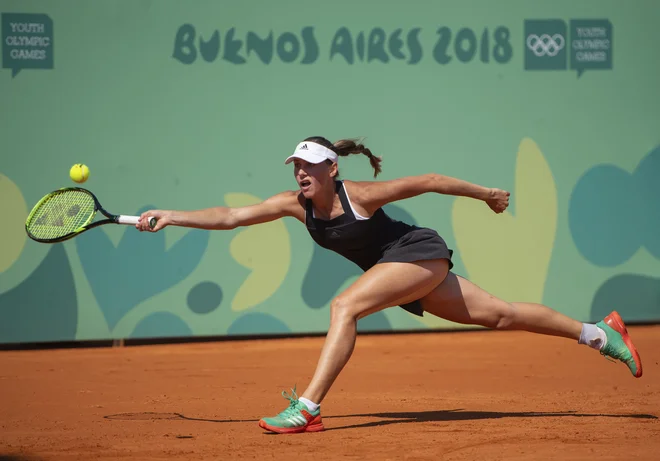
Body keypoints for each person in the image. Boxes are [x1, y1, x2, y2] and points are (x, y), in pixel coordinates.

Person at [136, 136, 643, 434]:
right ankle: (600, 333)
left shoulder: (363, 194)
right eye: (297, 168)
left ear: (332, 168)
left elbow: (430, 179)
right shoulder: (295, 204)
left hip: (416, 254)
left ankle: (308, 408)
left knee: (344, 306)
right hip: (401, 270)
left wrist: (486, 194)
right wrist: (172, 216)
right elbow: (230, 215)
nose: (302, 176)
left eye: (309, 167)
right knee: (502, 314)